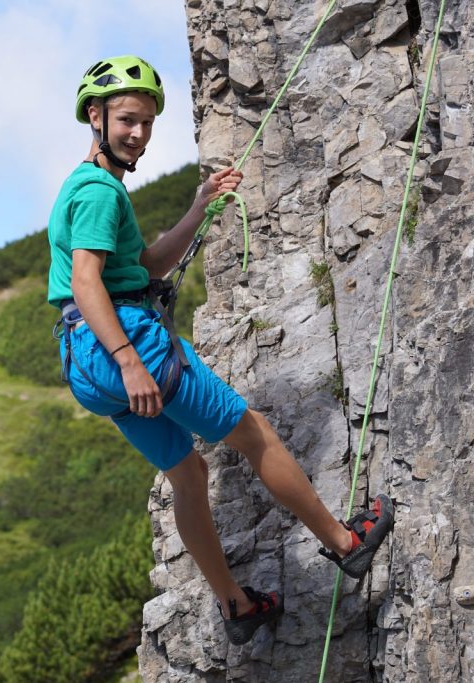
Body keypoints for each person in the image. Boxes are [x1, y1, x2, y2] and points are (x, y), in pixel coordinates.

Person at [47, 55, 395, 645]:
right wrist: (131, 360)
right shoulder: (99, 190)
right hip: (124, 343)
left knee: (188, 472)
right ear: (95, 116)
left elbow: (144, 266)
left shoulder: (86, 190)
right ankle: (345, 543)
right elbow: (87, 280)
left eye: (149, 123)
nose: (139, 133)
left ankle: (236, 606)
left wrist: (198, 206)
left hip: (82, 360)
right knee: (253, 430)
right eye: (128, 119)